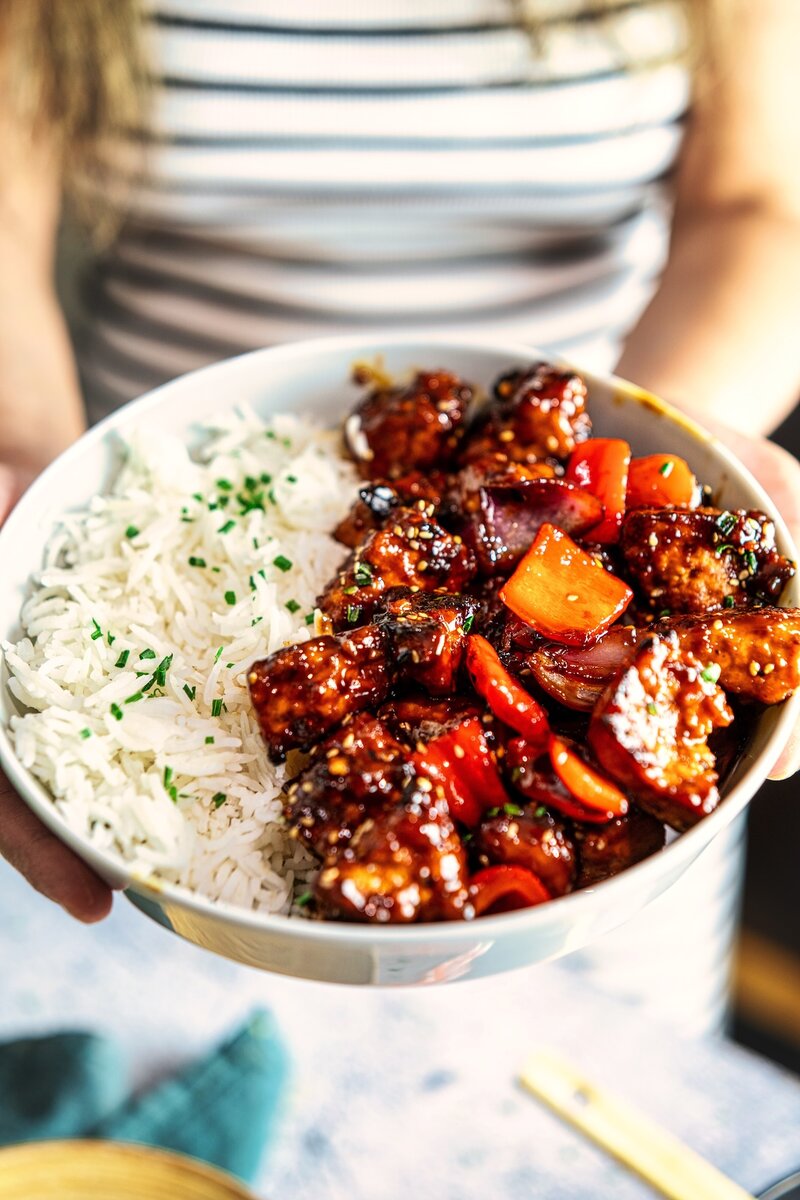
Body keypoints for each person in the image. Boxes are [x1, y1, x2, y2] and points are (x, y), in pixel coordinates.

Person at [0, 0, 798, 1028]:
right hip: (161, 479)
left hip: (581, 441)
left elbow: (758, 201)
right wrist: (23, 461)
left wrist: (671, 445)